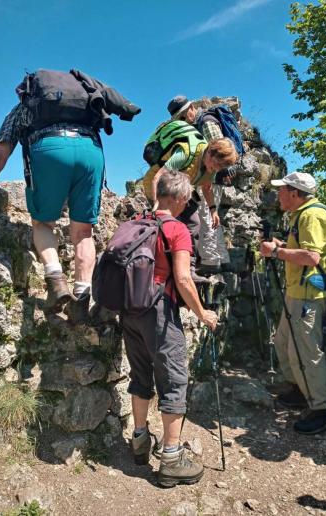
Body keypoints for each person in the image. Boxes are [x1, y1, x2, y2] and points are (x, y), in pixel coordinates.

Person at [0, 69, 140, 324]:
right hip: (90, 151)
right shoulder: (83, 106)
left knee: (43, 223)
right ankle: (81, 298)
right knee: (83, 233)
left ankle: (56, 281)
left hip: (50, 149)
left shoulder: (23, 109)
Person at [122, 171, 218, 487]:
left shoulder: (136, 223)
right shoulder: (176, 229)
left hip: (129, 310)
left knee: (140, 375)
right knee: (174, 379)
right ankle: (172, 460)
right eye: (187, 199)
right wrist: (203, 312)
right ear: (177, 198)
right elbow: (183, 278)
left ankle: (139, 442)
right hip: (159, 311)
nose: (187, 204)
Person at [260, 172, 326, 434]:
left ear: (294, 193)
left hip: (308, 296)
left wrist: (276, 251)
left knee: (305, 353)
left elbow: (311, 256)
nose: (278, 194)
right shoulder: (300, 214)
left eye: (282, 190)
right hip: (297, 292)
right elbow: (302, 247)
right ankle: (299, 389)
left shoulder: (312, 215)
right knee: (284, 341)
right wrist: (282, 245)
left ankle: (323, 409)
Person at [142, 131, 238, 282]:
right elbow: (157, 178)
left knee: (194, 223)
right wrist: (157, 208)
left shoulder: (210, 167)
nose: (217, 169)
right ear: (210, 152)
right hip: (160, 190)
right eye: (217, 164)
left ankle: (188, 269)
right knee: (167, 226)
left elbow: (207, 187)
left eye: (221, 167)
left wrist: (213, 210)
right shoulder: (186, 152)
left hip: (180, 192)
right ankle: (159, 267)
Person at [167, 95, 238, 275]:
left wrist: (218, 170)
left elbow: (220, 149)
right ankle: (213, 260)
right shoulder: (196, 127)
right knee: (206, 219)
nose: (184, 120)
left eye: (184, 116)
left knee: (206, 219)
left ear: (192, 107)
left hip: (213, 177)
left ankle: (210, 262)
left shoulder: (205, 122)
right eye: (180, 119)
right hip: (207, 176)